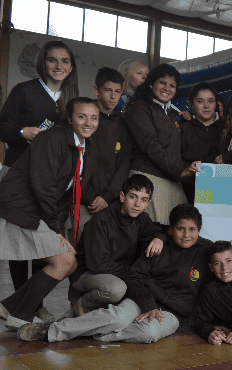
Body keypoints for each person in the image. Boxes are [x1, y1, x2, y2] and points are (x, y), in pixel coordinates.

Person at [17, 204, 213, 344]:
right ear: (171, 230)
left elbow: (223, 274)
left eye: (192, 229)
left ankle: (85, 331)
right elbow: (134, 278)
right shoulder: (157, 248)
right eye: (180, 229)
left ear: (199, 230)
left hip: (173, 312)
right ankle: (50, 331)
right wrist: (148, 304)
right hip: (143, 300)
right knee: (116, 318)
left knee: (148, 334)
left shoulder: (207, 251)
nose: (186, 235)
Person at [0, 97, 98, 329]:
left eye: (94, 118)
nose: (88, 123)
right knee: (65, 261)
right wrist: (56, 229)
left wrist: (58, 228)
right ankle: (21, 315)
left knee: (69, 262)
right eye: (82, 116)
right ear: (70, 118)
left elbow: (68, 191)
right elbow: (43, 186)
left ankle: (10, 306)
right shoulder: (52, 138)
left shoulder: (85, 147)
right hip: (18, 207)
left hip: (36, 210)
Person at [0, 40, 79, 321]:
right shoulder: (24, 91)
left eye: (65, 61)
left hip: (50, 178)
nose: (59, 66)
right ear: (43, 63)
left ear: (72, 66)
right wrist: (23, 131)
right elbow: (1, 128)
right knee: (19, 242)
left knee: (42, 244)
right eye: (52, 60)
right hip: (19, 174)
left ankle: (34, 303)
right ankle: (23, 303)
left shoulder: (70, 98)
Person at [67, 175, 164, 317]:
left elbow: (155, 234)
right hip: (86, 273)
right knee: (116, 289)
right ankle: (82, 304)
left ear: (148, 203)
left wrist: (159, 238)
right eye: (133, 197)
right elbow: (98, 264)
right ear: (122, 196)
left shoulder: (142, 219)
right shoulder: (101, 220)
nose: (137, 204)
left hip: (118, 272)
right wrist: (133, 273)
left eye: (143, 200)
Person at [123, 63, 199, 225]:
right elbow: (149, 145)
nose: (167, 88)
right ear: (151, 84)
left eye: (172, 85)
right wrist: (179, 171)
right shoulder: (140, 107)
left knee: (175, 231)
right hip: (148, 177)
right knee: (150, 232)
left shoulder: (171, 113)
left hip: (172, 179)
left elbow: (173, 150)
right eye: (162, 82)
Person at [74, 67, 132, 244]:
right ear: (96, 90)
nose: (113, 97)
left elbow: (124, 163)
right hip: (82, 199)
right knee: (78, 247)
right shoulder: (84, 120)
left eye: (118, 92)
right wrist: (89, 196)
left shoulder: (123, 125)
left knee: (105, 248)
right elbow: (75, 159)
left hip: (110, 201)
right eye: (108, 90)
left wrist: (108, 196)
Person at [179, 82, 224, 204]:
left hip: (222, 192)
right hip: (188, 192)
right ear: (191, 104)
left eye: (211, 101)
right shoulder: (183, 128)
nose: (206, 106)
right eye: (200, 101)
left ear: (216, 103)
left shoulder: (226, 127)